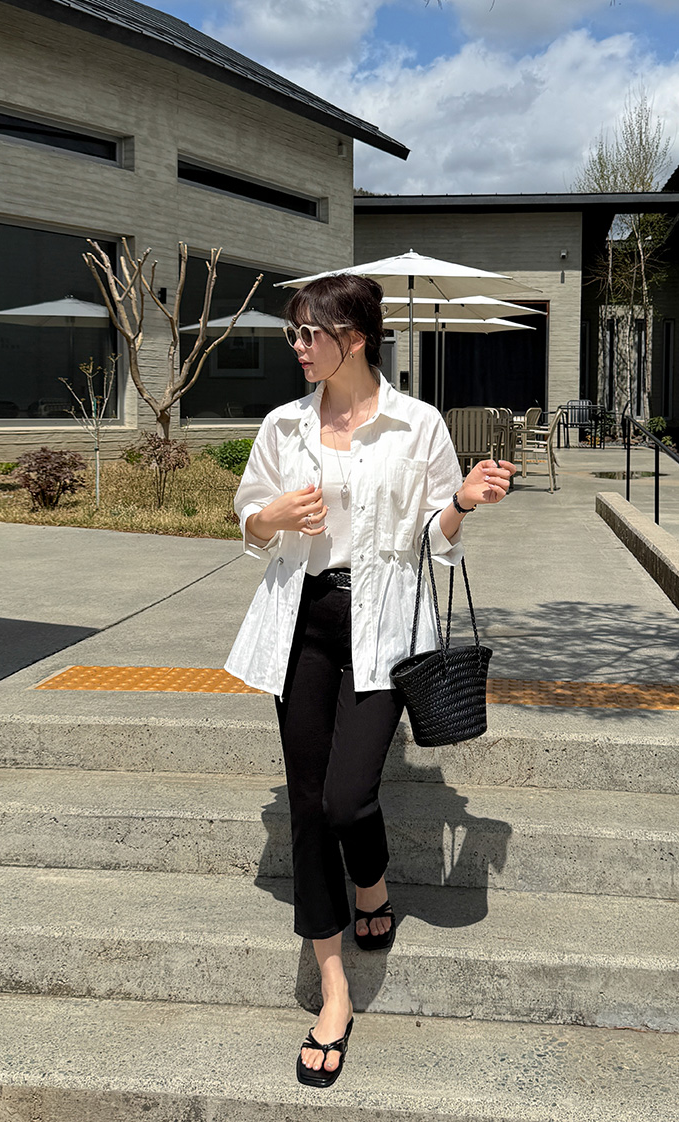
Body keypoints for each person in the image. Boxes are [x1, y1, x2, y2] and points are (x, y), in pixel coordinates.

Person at [224, 273, 515, 1088]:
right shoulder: (284, 426)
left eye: (308, 333)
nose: (297, 346)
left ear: (352, 339)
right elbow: (248, 517)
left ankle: (374, 884)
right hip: (303, 621)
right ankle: (334, 989)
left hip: (387, 623)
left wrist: (461, 501)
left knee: (349, 798)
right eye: (293, 333)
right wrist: (274, 517)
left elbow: (435, 539)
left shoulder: (418, 424)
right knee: (308, 803)